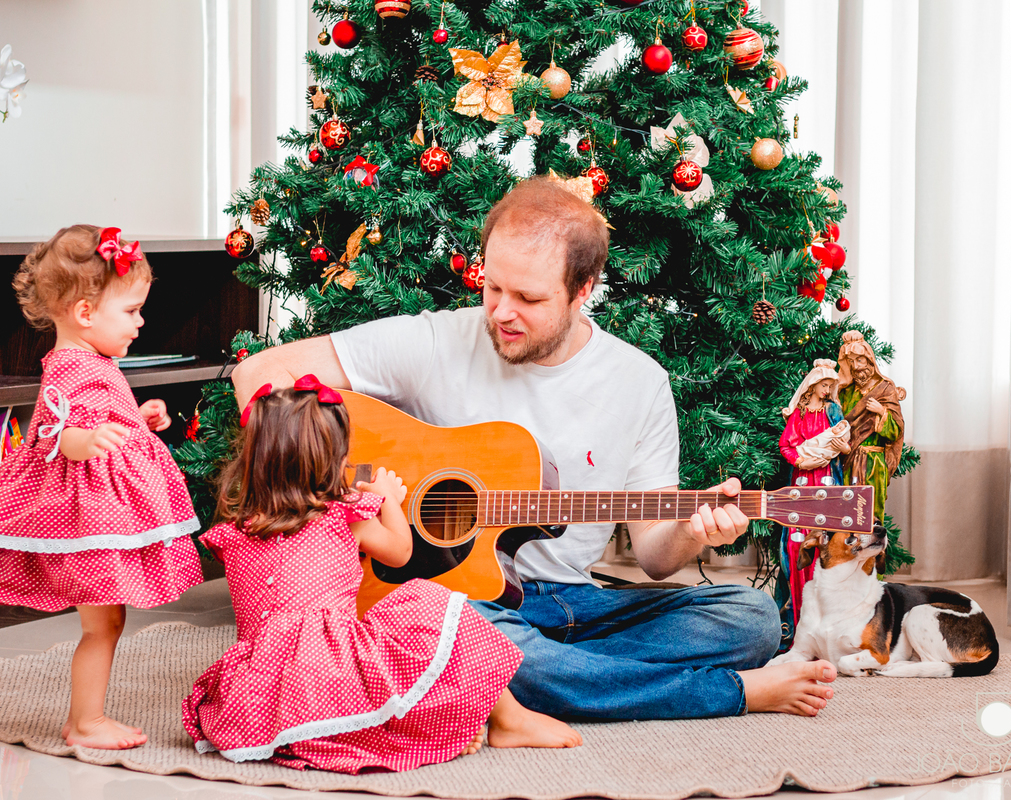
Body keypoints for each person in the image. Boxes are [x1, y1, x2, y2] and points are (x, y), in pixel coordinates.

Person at [232, 176, 837, 720]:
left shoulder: (638, 380)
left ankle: (531, 677)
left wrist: (694, 534)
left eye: (528, 298)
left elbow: (655, 557)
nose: (500, 312)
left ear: (583, 290)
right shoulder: (434, 340)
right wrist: (321, 486)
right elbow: (258, 374)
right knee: (470, 632)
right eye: (492, 287)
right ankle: (724, 692)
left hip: (575, 602)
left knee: (751, 619)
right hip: (456, 600)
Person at [181, 379, 581, 772]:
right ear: (330, 462)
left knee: (354, 681)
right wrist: (388, 498)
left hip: (256, 696)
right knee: (429, 601)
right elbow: (400, 551)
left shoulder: (234, 532)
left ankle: (348, 731)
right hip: (329, 675)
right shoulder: (341, 516)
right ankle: (508, 718)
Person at [0, 225, 204, 750]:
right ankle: (86, 722)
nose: (141, 323)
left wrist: (137, 418)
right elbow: (53, 431)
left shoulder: (92, 361)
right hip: (86, 521)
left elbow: (97, 413)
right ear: (86, 314)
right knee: (103, 625)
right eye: (132, 311)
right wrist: (82, 439)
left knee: (109, 621)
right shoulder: (70, 368)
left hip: (97, 516)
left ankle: (86, 717)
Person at [776, 359, 851, 632]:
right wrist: (799, 461)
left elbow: (845, 444)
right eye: (824, 384)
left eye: (831, 384)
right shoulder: (801, 414)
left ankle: (832, 623)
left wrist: (842, 447)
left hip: (827, 480)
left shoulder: (833, 412)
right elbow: (786, 444)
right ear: (812, 385)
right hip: (803, 480)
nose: (827, 388)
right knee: (798, 539)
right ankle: (795, 620)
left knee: (827, 537)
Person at [837, 331, 906, 525]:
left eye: (860, 360)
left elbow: (895, 431)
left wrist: (881, 412)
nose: (857, 367)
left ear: (869, 360)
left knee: (871, 517)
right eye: (852, 362)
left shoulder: (885, 389)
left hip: (873, 464)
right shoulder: (845, 392)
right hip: (847, 460)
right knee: (846, 512)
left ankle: (871, 553)